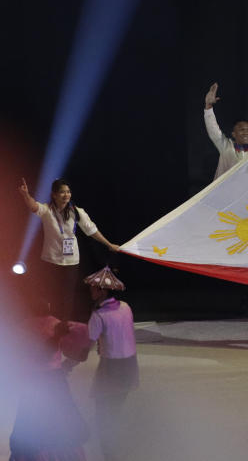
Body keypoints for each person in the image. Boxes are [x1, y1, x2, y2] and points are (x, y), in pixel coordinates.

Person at [18, 177, 120, 320]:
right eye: (62, 192)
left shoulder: (76, 212)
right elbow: (33, 206)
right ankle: (53, 324)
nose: (66, 195)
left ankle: (63, 325)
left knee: (67, 296)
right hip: (51, 260)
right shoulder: (47, 210)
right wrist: (25, 195)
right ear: (54, 194)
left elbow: (92, 230)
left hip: (71, 261)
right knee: (52, 294)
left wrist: (109, 244)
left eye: (68, 192)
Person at [8, 299, 91, 461]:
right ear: (49, 306)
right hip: (54, 382)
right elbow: (84, 342)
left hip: (32, 383)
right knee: (59, 422)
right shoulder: (58, 324)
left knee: (31, 422)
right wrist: (68, 366)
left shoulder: (22, 327)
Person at [84, 266, 138, 461]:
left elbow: (86, 345)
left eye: (93, 288)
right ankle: (114, 448)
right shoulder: (126, 307)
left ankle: (109, 454)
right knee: (115, 409)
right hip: (130, 365)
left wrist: (68, 363)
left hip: (111, 368)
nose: (91, 291)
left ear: (102, 290)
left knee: (103, 414)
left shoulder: (98, 316)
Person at [204, 82, 248, 179]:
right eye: (242, 130)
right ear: (234, 134)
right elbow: (213, 130)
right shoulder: (226, 147)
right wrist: (208, 106)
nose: (246, 132)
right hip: (226, 193)